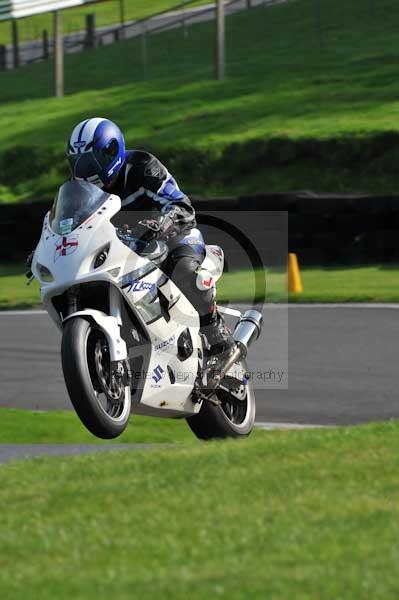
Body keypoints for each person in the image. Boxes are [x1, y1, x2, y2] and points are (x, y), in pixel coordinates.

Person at [66, 117, 235, 368]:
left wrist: (163, 222)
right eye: (79, 164)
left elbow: (180, 204)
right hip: (123, 252)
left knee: (186, 272)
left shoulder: (142, 167)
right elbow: (68, 225)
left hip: (172, 236)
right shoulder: (79, 192)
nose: (86, 170)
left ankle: (216, 333)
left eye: (91, 161)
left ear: (112, 150)